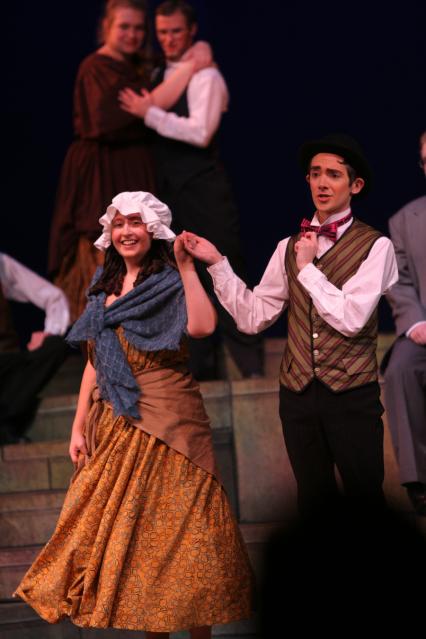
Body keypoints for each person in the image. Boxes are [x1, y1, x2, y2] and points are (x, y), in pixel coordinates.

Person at [15, 191, 254, 639]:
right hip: (117, 421)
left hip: (174, 419)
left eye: (136, 222)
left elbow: (202, 327)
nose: (126, 231)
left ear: (153, 229)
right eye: (119, 223)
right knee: (139, 544)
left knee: (187, 536)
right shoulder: (102, 287)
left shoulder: (168, 280)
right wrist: (78, 425)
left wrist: (187, 269)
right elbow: (95, 360)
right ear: (110, 232)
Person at [181, 133, 398, 516]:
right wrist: (217, 263)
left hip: (351, 393)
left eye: (333, 174)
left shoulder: (376, 246)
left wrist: (308, 269)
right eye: (315, 174)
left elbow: (351, 319)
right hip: (297, 393)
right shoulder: (288, 247)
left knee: (365, 501)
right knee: (313, 503)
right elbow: (253, 317)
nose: (322, 183)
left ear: (356, 185)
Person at [119, 0, 263, 380]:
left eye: (176, 32)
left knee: (223, 268)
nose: (168, 39)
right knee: (183, 279)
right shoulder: (160, 71)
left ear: (192, 31)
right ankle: (201, 371)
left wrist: (150, 115)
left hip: (204, 190)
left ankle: (252, 373)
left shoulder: (206, 76)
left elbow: (200, 132)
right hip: (171, 193)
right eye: (162, 32)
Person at [49, 0, 211, 322]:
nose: (132, 34)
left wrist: (198, 53)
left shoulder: (139, 66)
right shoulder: (95, 67)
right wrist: (193, 64)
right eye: (124, 26)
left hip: (132, 167)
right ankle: (102, 330)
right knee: (101, 251)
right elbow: (118, 115)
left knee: (144, 248)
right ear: (106, 27)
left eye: (139, 28)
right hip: (101, 172)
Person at [383, 131, 426, 515]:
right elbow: (399, 280)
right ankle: (419, 482)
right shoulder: (404, 220)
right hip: (425, 329)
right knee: (400, 368)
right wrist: (415, 324)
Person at [0, 252, 70, 444]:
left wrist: (49, 332)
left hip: (6, 357)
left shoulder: (1, 264)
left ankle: (6, 420)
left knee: (56, 345)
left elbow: (53, 297)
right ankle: (5, 427)